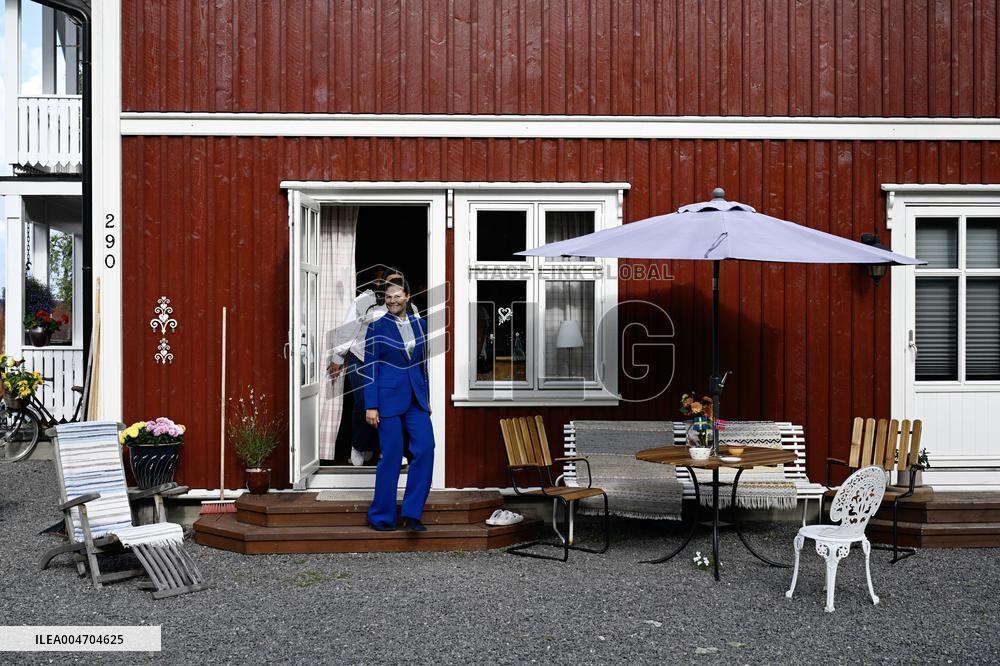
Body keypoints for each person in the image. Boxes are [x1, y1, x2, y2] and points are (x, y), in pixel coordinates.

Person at [363, 277, 434, 532]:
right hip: (386, 399)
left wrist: (426, 399)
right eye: (388, 297)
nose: (393, 300)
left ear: (408, 297)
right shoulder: (377, 326)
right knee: (391, 457)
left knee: (426, 448)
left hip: (416, 399)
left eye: (397, 296)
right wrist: (371, 405)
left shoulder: (421, 324)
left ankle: (413, 514)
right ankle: (381, 517)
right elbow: (369, 367)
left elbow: (422, 365)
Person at [328, 267, 417, 466]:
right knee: (363, 405)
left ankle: (388, 450)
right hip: (361, 359)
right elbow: (348, 329)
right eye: (388, 283)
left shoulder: (408, 305)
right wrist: (337, 357)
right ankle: (359, 446)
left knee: (390, 407)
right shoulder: (365, 300)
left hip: (390, 365)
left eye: (398, 283)